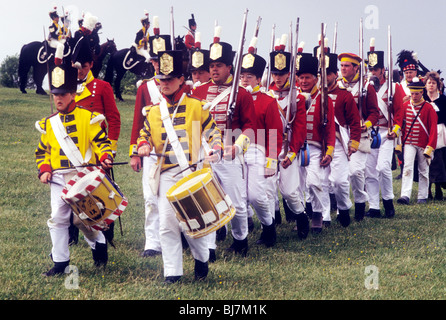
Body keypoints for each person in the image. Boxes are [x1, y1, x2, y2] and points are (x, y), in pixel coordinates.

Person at [137, 50, 222, 284]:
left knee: (192, 224)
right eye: (161, 80)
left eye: (169, 79)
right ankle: (172, 273)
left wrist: (216, 147)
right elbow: (143, 135)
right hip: (166, 174)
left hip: (193, 173)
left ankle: (201, 259)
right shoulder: (154, 112)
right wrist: (143, 145)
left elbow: (213, 132)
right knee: (166, 224)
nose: (164, 84)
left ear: (181, 80)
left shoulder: (197, 106)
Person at [35, 59, 113, 276]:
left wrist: (105, 156)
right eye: (55, 94)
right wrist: (45, 169)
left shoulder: (88, 118)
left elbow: (102, 143)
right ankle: (60, 262)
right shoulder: (50, 124)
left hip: (82, 177)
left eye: (63, 94)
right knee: (58, 219)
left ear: (73, 94)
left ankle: (98, 240)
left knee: (83, 220)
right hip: (58, 179)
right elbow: (42, 152)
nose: (58, 98)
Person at [193, 26, 257, 255]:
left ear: (229, 67)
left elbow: (251, 128)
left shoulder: (242, 93)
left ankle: (240, 240)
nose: (214, 69)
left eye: (218, 65)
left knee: (237, 202)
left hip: (230, 152)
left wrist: (238, 147)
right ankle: (209, 247)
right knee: (206, 200)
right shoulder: (198, 93)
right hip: (205, 152)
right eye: (211, 66)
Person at [66, 35, 121, 246]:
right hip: (72, 149)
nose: (78, 70)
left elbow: (114, 120)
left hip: (98, 150)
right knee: (72, 190)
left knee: (101, 191)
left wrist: (111, 148)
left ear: (90, 65)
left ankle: (107, 230)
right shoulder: (67, 88)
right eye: (75, 66)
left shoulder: (102, 86)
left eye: (83, 66)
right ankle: (73, 234)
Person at [129, 30, 172, 258]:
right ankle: (152, 242)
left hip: (178, 149)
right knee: (150, 197)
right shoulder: (145, 88)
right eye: (154, 60)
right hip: (151, 149)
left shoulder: (184, 87)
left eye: (162, 60)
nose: (157, 64)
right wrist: (135, 152)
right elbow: (138, 121)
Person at [239, 38, 283, 246]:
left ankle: (268, 226)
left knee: (256, 196)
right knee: (238, 197)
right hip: (236, 151)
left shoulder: (268, 101)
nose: (245, 80)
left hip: (258, 152)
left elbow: (274, 133)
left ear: (259, 78)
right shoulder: (234, 99)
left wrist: (271, 160)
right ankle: (240, 236)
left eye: (250, 76)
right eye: (242, 76)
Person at [268, 36, 309, 239]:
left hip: (288, 149)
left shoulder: (298, 97)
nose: (277, 77)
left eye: (282, 73)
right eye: (275, 73)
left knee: (289, 191)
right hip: (269, 149)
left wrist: (292, 153)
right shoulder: (267, 95)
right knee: (267, 191)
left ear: (289, 74)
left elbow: (300, 129)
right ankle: (269, 229)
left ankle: (301, 217)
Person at [337, 52, 379, 225]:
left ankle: (360, 203)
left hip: (359, 134)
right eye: (342, 66)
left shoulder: (366, 86)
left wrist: (367, 124)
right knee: (341, 175)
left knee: (355, 171)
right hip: (340, 134)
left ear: (356, 67)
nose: (343, 69)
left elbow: (374, 112)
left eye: (347, 66)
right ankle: (343, 209)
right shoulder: (337, 86)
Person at [364, 41, 404, 218]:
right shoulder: (365, 87)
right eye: (371, 69)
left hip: (387, 133)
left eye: (376, 69)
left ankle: (388, 202)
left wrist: (395, 129)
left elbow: (400, 112)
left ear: (382, 70)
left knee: (383, 167)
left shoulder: (394, 87)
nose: (373, 72)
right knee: (369, 170)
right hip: (370, 132)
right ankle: (373, 206)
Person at [297, 52, 336, 233]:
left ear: (315, 78)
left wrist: (329, 151)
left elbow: (329, 129)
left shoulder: (324, 98)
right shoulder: (294, 97)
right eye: (301, 77)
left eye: (307, 78)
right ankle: (301, 215)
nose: (303, 81)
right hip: (295, 147)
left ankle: (318, 213)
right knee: (297, 185)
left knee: (314, 182)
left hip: (314, 147)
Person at [322, 52, 361, 226]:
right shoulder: (315, 95)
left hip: (338, 141)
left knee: (339, 181)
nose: (324, 77)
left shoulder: (345, 95)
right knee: (320, 182)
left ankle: (344, 208)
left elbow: (354, 122)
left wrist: (353, 142)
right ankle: (323, 216)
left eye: (328, 73)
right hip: (320, 142)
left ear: (334, 75)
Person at [397, 79, 437, 204]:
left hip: (424, 144)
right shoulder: (405, 106)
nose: (414, 96)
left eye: (417, 94)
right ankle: (405, 195)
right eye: (412, 94)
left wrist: (430, 145)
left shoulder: (429, 108)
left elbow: (433, 129)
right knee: (407, 168)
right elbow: (401, 125)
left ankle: (422, 195)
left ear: (422, 93)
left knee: (424, 170)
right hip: (409, 142)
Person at [423, 71, 446, 200]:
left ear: (438, 85)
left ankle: (438, 188)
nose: (431, 85)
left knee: (439, 160)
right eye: (429, 83)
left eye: (433, 83)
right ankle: (427, 189)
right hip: (426, 131)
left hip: (440, 132)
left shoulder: (443, 100)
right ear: (425, 85)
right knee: (426, 161)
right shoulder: (422, 99)